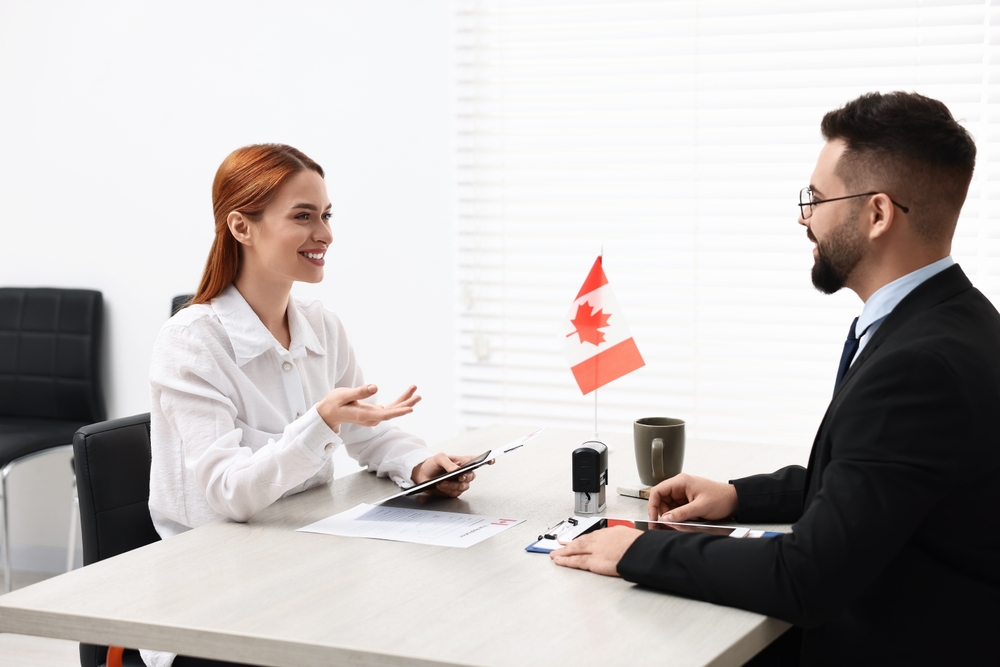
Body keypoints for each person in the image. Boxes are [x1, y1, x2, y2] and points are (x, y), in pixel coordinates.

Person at [550, 92, 1000, 665]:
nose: (803, 217)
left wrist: (637, 550)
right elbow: (875, 480)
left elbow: (807, 576)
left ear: (878, 214)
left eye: (815, 198)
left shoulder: (918, 366)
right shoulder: (957, 319)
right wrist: (740, 496)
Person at [146, 144, 480, 667]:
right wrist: (319, 421)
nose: (324, 234)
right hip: (214, 602)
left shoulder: (321, 325)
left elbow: (365, 432)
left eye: (325, 215)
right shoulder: (191, 342)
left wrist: (418, 465)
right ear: (241, 226)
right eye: (303, 216)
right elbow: (229, 494)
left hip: (307, 567)